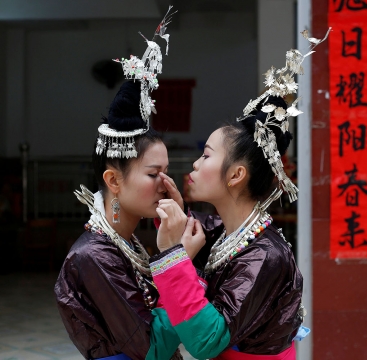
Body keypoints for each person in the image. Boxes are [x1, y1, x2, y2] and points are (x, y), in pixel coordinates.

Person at [145, 30, 329, 360]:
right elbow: (196, 231)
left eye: (206, 155)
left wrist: (173, 254)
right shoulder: (224, 233)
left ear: (235, 175)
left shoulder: (265, 255)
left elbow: (207, 342)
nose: (196, 165)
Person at [54, 9, 221, 360]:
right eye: (152, 174)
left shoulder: (125, 241)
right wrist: (179, 260)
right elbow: (150, 347)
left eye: (166, 171)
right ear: (113, 180)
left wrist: (179, 229)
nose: (165, 182)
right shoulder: (93, 256)